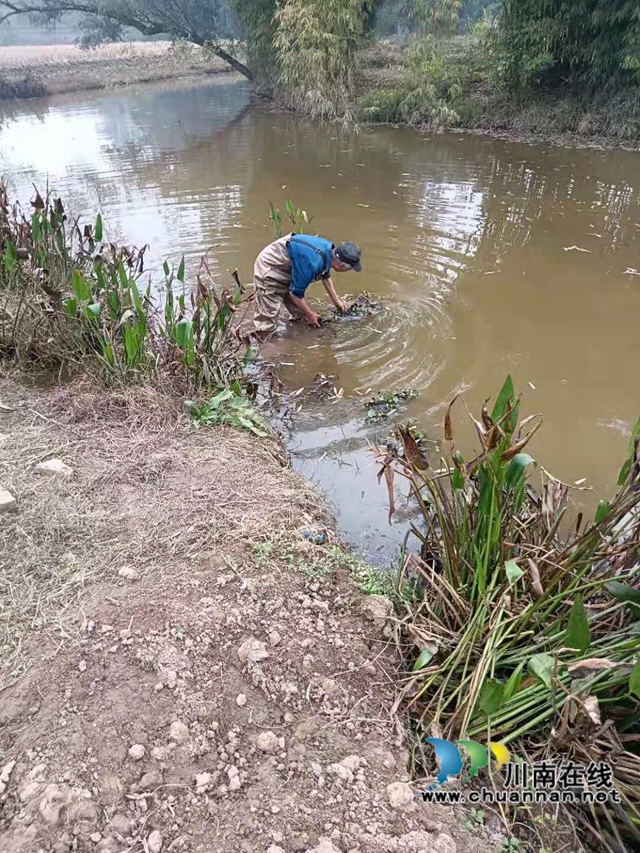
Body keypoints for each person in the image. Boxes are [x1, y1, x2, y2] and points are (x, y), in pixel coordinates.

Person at [252, 233, 361, 336]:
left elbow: (325, 274)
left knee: (300, 313)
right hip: (270, 267)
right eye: (350, 268)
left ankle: (299, 334)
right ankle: (265, 348)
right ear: (341, 266)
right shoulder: (313, 264)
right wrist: (310, 314)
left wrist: (336, 301)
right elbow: (296, 294)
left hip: (289, 265)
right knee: (267, 322)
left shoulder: (329, 251)